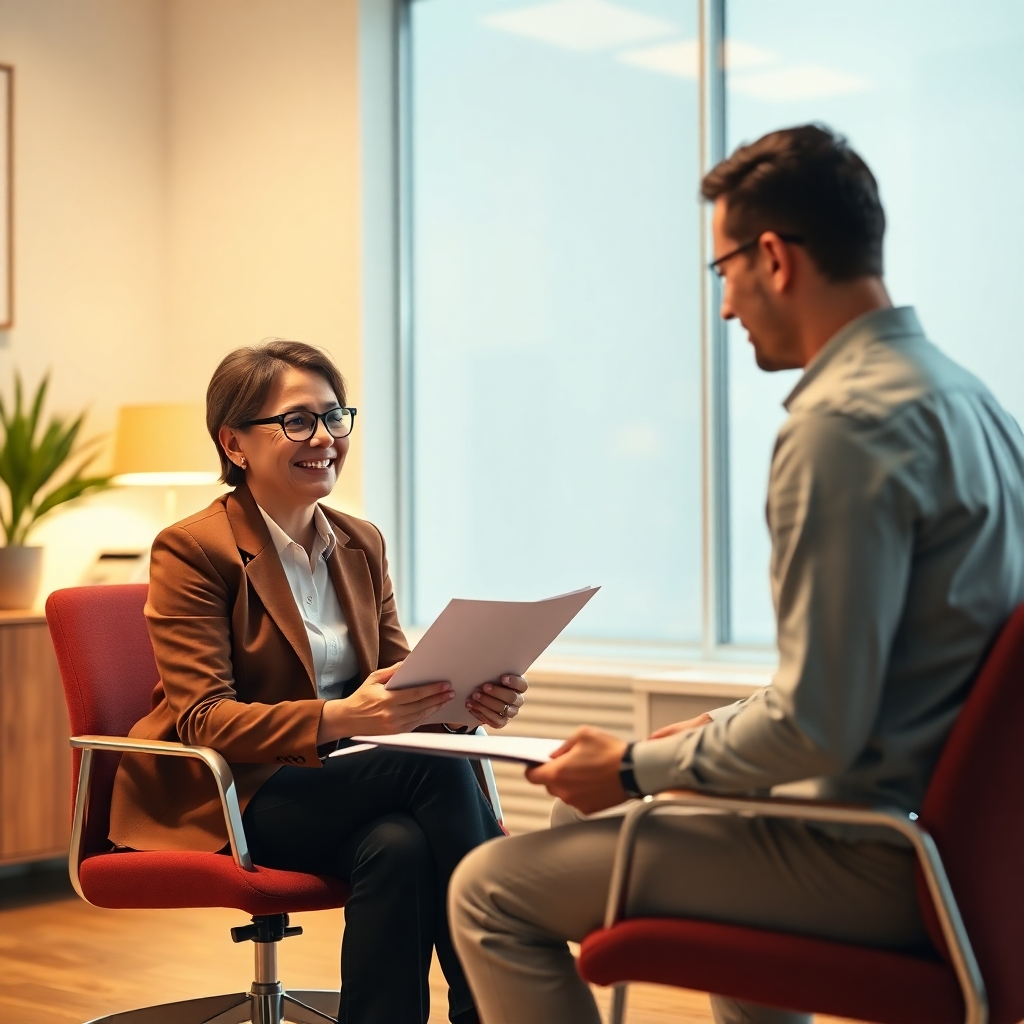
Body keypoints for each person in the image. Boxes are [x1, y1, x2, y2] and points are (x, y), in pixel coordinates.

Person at [448, 124, 1024, 1024]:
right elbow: (881, 674)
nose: (724, 308)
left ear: (772, 257)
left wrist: (639, 765)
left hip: (868, 854)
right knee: (583, 819)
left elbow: (822, 727)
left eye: (722, 272)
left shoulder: (843, 425)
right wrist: (710, 732)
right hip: (961, 847)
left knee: (487, 889)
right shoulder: (971, 402)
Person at [108, 340, 529, 1024]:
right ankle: (501, 1005)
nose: (325, 438)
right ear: (235, 444)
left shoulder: (361, 542)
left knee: (399, 844)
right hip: (239, 790)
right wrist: (343, 720)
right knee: (438, 778)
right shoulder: (194, 548)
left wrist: (464, 703)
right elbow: (205, 720)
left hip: (349, 779)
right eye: (297, 421)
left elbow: (400, 683)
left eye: (335, 417)